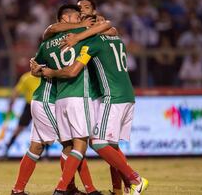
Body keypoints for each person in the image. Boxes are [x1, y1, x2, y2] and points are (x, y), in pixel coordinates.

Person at [12, 4, 110, 195]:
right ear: (65, 18)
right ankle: (83, 189)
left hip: (44, 98)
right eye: (76, 16)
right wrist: (84, 27)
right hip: (49, 98)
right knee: (73, 145)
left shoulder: (47, 44)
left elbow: (37, 65)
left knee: (36, 147)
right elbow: (105, 26)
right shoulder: (75, 36)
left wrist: (36, 69)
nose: (80, 20)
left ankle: (18, 190)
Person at [42, 33, 149, 195]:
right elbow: (109, 26)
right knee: (112, 145)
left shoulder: (93, 42)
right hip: (126, 95)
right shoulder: (116, 39)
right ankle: (120, 189)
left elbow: (72, 71)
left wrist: (51, 72)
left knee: (96, 142)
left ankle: (135, 179)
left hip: (111, 97)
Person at [1, 71, 40, 157]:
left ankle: (46, 156)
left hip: (42, 105)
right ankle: (6, 151)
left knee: (46, 130)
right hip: (30, 105)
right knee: (19, 128)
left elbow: (16, 92)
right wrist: (10, 106)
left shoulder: (46, 75)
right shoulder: (26, 77)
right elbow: (16, 92)